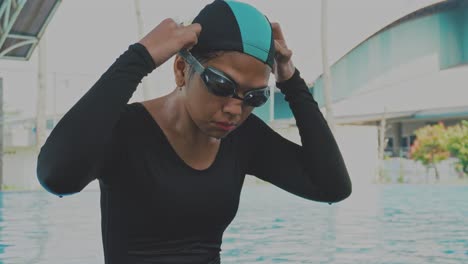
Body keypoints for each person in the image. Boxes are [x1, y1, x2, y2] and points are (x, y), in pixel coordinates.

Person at [36, 0, 352, 263]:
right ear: (181, 69)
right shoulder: (127, 130)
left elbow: (331, 187)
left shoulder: (243, 137)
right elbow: (57, 177)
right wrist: (139, 57)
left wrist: (290, 81)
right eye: (221, 85)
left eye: (254, 97)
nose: (234, 108)